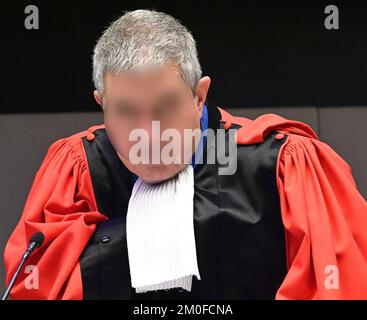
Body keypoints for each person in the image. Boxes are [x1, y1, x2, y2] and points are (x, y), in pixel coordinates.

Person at [4, 9, 367, 300]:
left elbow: (339, 287)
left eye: (165, 107)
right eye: (126, 111)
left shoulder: (284, 163)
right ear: (102, 104)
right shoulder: (77, 170)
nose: (149, 133)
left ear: (198, 95)